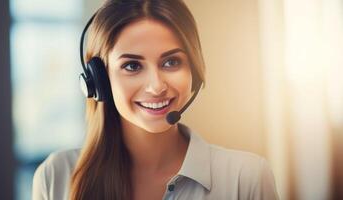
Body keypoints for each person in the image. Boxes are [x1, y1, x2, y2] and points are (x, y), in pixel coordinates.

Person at [32, 0, 279, 199]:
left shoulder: (245, 178)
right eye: (132, 66)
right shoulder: (57, 176)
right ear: (99, 81)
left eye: (171, 62)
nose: (156, 86)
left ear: (195, 68)